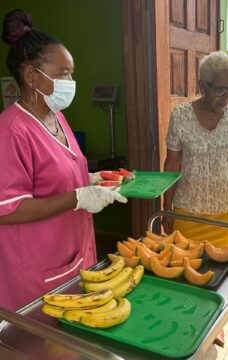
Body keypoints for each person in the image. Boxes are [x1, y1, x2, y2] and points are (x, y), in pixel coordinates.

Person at [0, 9, 127, 311]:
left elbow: (59, 175)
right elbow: (7, 210)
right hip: (36, 268)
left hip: (74, 255)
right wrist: (78, 197)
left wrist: (91, 181)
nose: (71, 81)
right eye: (62, 74)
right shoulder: (11, 131)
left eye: (71, 73)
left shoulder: (56, 117)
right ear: (31, 76)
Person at [162, 51, 228, 248]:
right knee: (184, 262)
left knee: (217, 266)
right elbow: (172, 163)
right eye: (220, 90)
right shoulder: (181, 115)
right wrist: (166, 207)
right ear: (202, 86)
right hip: (188, 208)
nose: (227, 97)